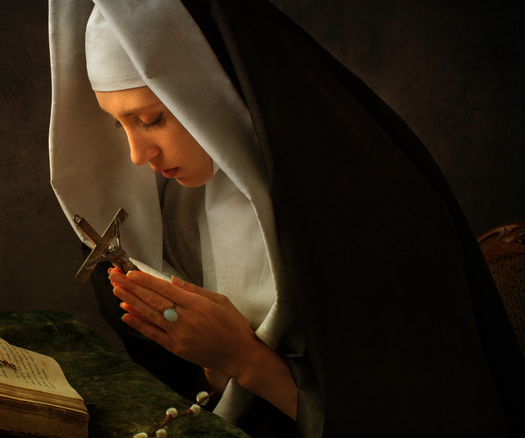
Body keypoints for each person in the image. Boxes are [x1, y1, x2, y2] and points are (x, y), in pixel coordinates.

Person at [48, 1, 525, 436]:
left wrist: (244, 360)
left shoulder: (364, 205)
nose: (137, 154)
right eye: (119, 123)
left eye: (151, 119)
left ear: (210, 93)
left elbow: (423, 414)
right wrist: (208, 358)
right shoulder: (184, 205)